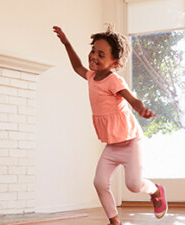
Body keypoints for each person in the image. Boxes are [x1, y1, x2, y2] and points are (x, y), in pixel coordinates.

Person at [53, 25, 167, 225]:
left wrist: (141, 109)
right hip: (112, 145)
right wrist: (66, 43)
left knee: (133, 184)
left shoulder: (114, 80)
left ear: (114, 62)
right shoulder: (90, 76)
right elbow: (77, 67)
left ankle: (156, 191)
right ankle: (114, 222)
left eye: (101, 54)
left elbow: (131, 99)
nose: (94, 56)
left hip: (131, 143)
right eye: (93, 51)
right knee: (99, 183)